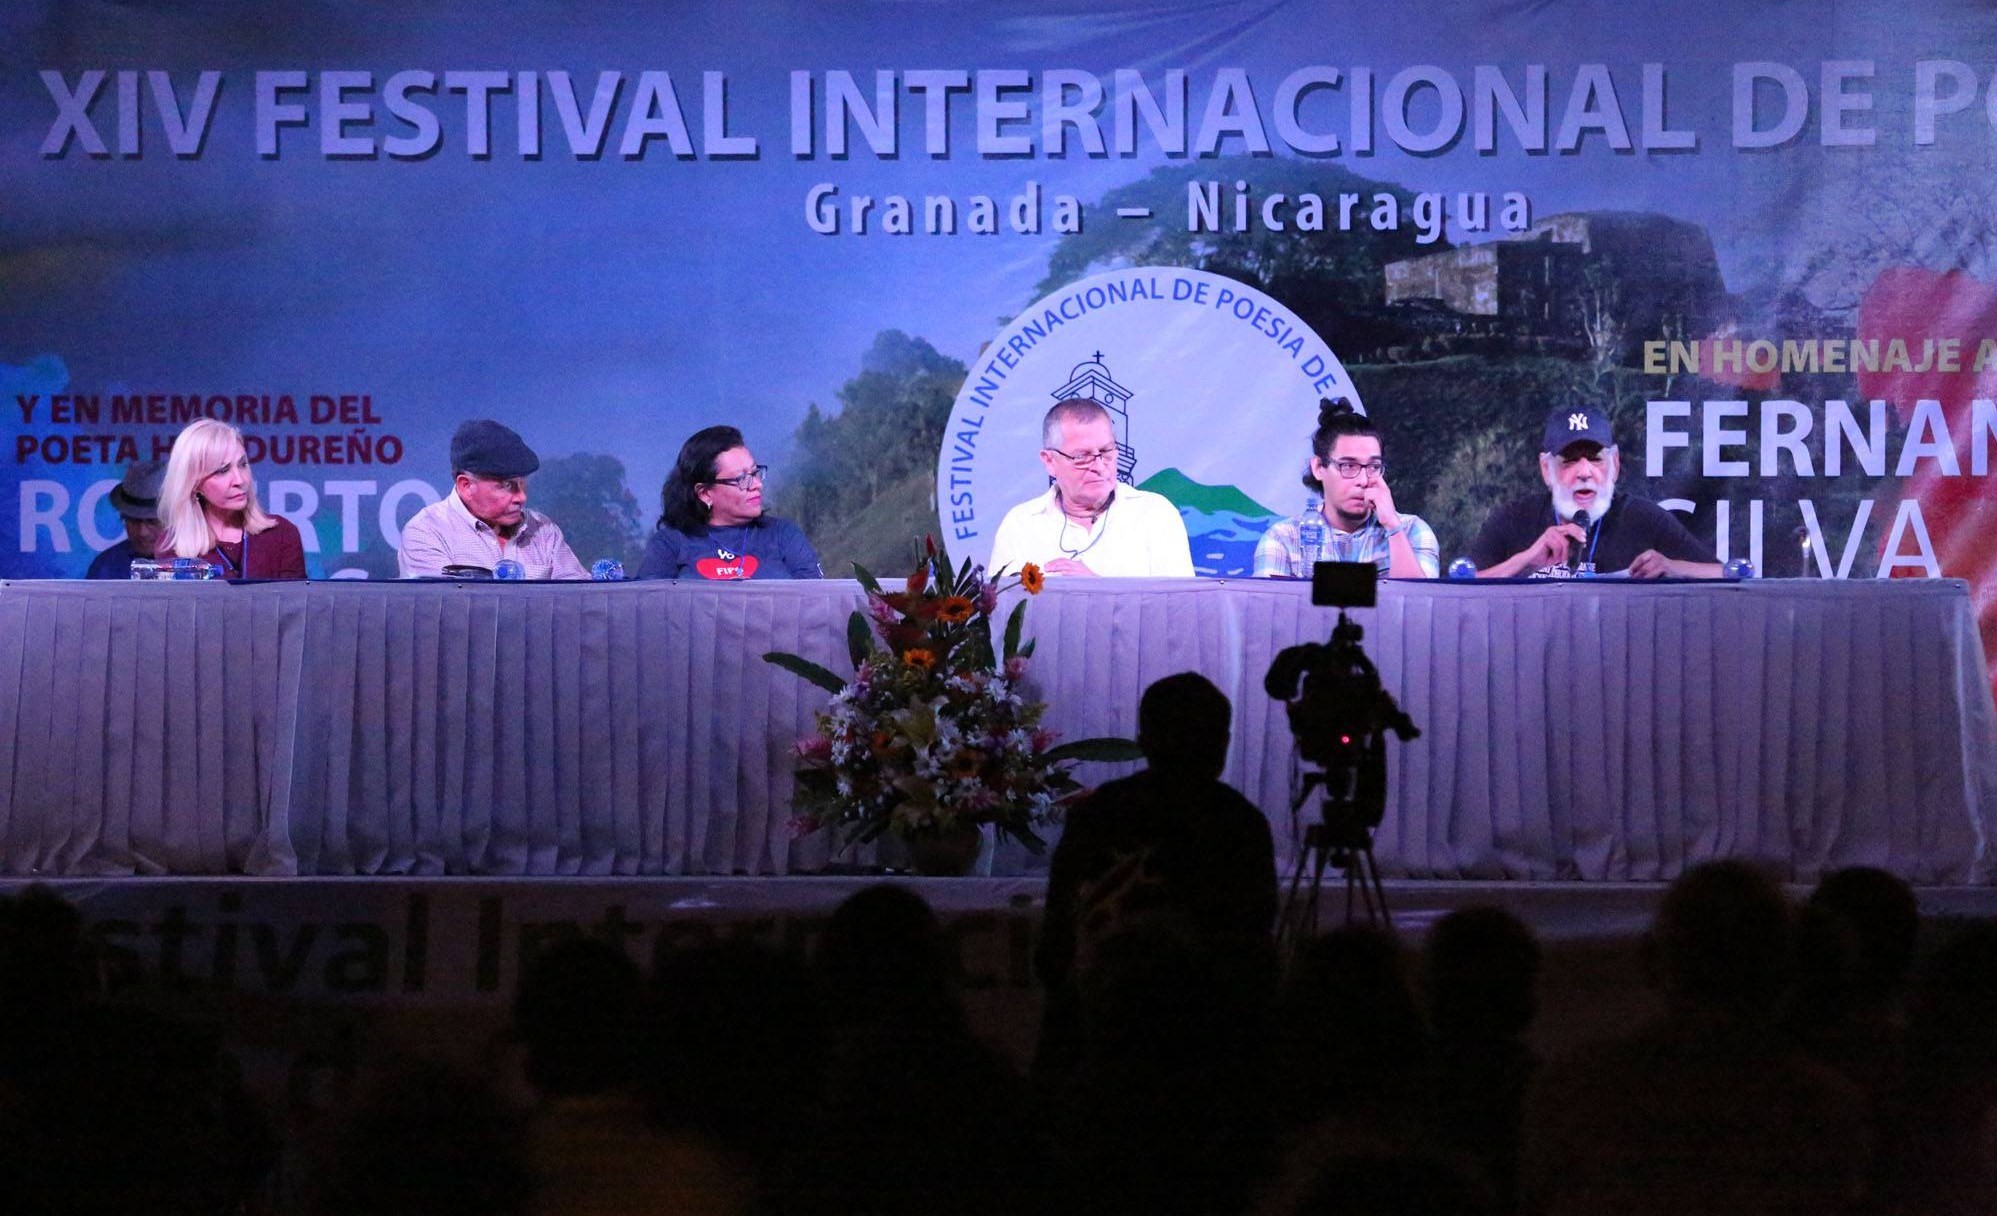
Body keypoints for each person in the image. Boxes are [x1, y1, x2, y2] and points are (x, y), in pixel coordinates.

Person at [1035, 672, 1276, 1077]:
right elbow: (1255, 944)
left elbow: (1055, 943)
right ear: (1221, 744)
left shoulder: (1098, 814)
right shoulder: (1239, 823)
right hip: (1210, 1056)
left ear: (1143, 739)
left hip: (1093, 1048)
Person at [1471, 406, 1723, 579]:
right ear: (1546, 470)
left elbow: (1727, 573)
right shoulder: (1513, 519)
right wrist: (1525, 561)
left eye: (1595, 460)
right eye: (1569, 461)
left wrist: (1672, 567)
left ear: (1615, 465)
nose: (1584, 472)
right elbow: (1458, 588)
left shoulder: (1643, 519)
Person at [987, 398, 1193, 578]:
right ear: (1050, 461)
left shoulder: (1155, 514)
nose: (1099, 466)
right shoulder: (1020, 524)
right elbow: (1002, 614)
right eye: (1082, 457)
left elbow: (1177, 611)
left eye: (1106, 451)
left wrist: (1097, 590)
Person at [1253, 399, 1438, 579]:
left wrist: (1392, 526)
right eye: (1349, 466)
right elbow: (1270, 609)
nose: (1364, 480)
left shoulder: (1412, 530)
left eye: (1373, 467)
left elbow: (1418, 606)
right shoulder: (1284, 539)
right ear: (1318, 468)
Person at [397, 420, 588, 579]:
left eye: (523, 484)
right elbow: (449, 612)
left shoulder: (544, 531)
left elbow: (581, 604)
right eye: (506, 486)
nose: (522, 497)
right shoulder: (426, 533)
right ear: (466, 486)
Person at [636, 425, 822, 580]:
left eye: (755, 473)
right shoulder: (669, 544)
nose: (757, 485)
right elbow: (649, 611)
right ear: (705, 493)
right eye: (742, 479)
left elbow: (816, 604)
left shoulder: (784, 535)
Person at [155, 419, 307, 579]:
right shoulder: (173, 547)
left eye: (242, 464)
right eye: (222, 471)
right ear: (194, 484)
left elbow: (294, 603)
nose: (239, 480)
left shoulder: (281, 534)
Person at [84, 460, 166, 579]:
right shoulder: (106, 567)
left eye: (152, 521)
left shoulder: (197, 565)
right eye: (133, 520)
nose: (142, 532)